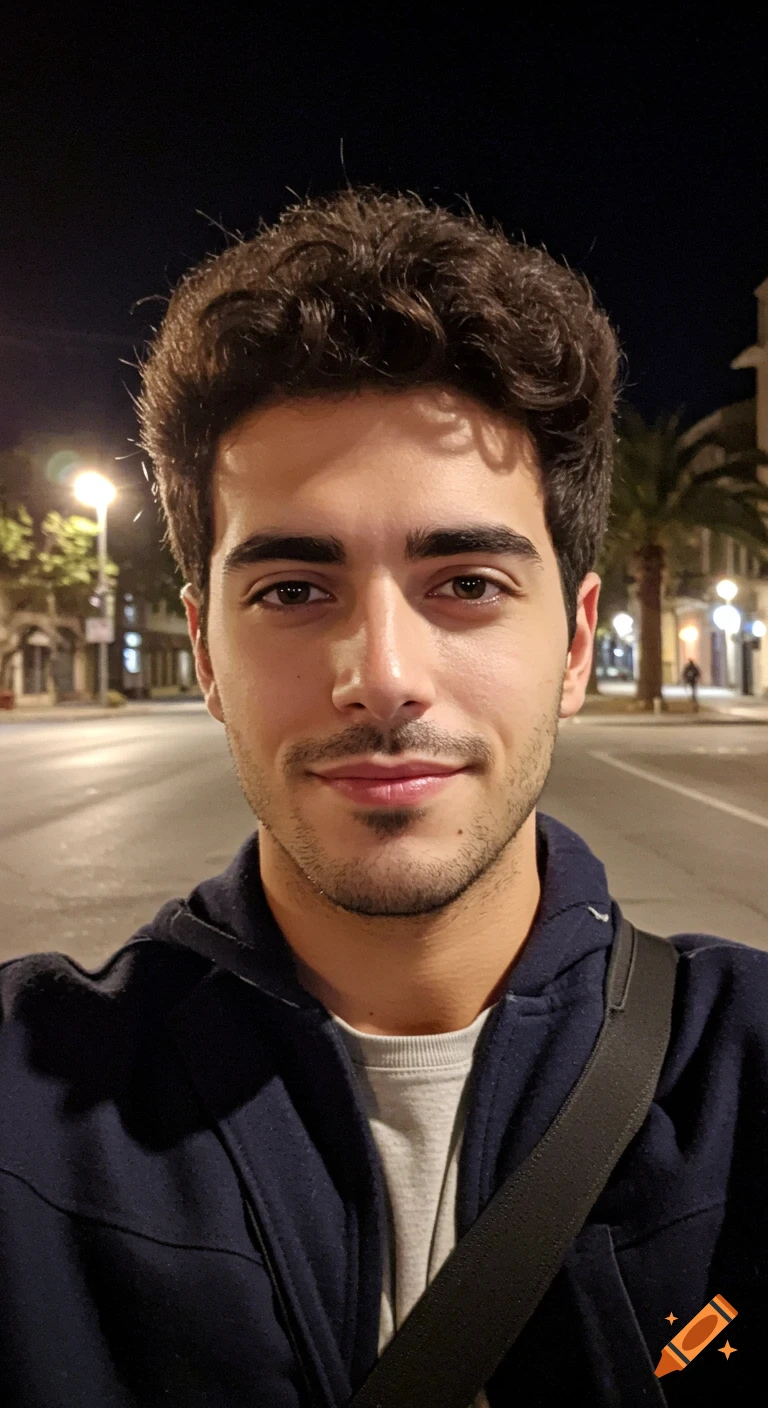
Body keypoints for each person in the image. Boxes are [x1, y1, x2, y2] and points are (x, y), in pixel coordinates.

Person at [1, 191, 766, 1408]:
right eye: (293, 592)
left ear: (575, 644)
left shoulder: (742, 1073)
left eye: (466, 582)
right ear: (205, 650)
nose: (384, 676)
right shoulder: (31, 1105)